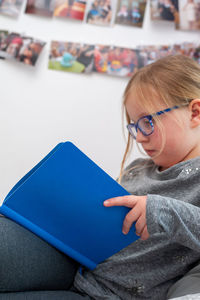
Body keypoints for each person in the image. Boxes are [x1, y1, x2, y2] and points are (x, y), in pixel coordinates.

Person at [1, 54, 200, 299]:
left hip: (108, 294)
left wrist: (163, 211)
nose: (138, 137)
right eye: (134, 126)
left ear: (195, 113)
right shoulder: (138, 168)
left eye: (147, 122)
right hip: (73, 263)